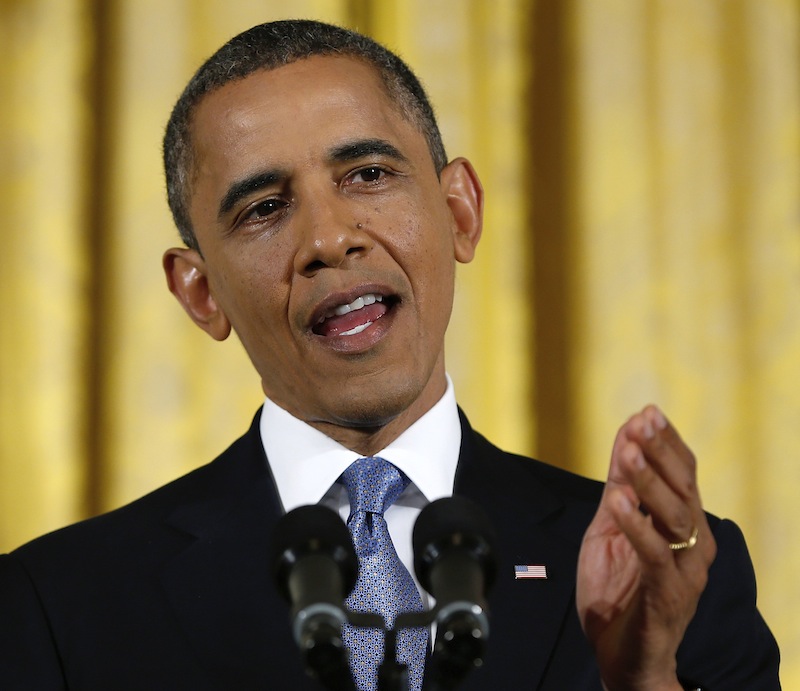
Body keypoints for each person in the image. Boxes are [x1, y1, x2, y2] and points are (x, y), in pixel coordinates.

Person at [0, 19, 780, 691]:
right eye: (266, 208)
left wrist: (643, 678)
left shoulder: (666, 574)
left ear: (459, 213)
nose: (329, 237)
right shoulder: (58, 603)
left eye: (368, 174)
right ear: (201, 292)